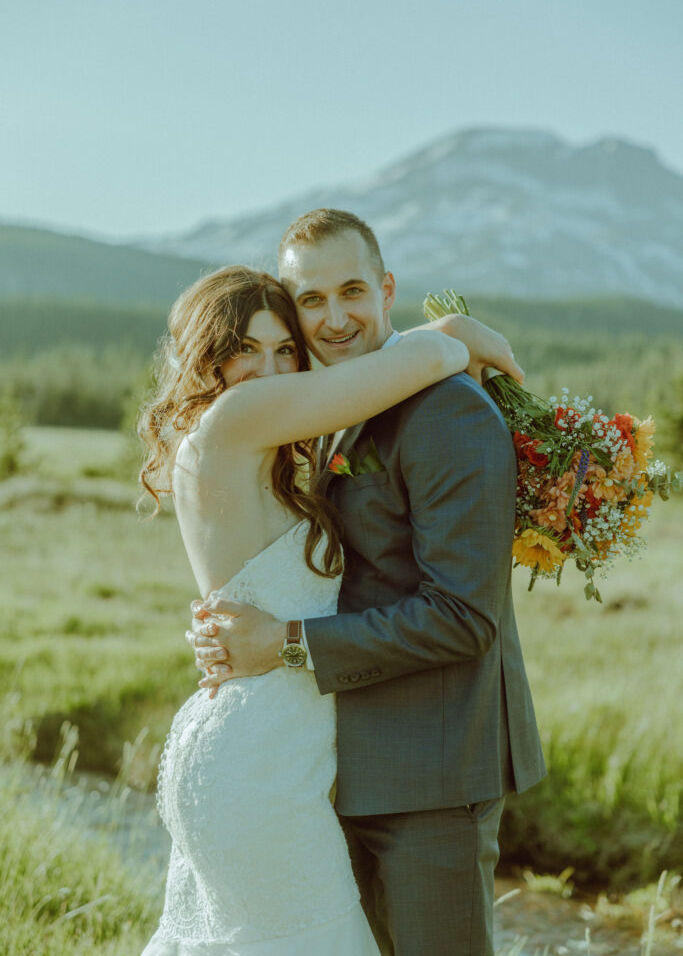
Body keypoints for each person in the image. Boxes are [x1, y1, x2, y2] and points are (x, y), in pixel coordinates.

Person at [191, 210, 546, 956]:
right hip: (328, 763)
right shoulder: (321, 411)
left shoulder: (449, 410)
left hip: (431, 773)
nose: (333, 318)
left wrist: (282, 643)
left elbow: (462, 617)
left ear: (386, 289)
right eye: (309, 301)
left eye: (351, 291)